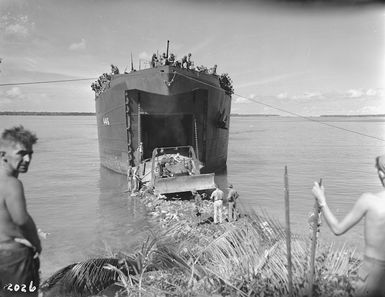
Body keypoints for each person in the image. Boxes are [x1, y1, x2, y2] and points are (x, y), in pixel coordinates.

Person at [312, 155, 385, 297]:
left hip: (370, 277)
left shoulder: (369, 201)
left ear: (380, 174)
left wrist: (322, 201)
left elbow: (337, 229)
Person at [0, 126, 41, 296]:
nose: (27, 158)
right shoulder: (12, 183)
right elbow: (21, 219)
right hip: (12, 257)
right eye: (21, 153)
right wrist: (36, 242)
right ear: (3, 155)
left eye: (30, 153)